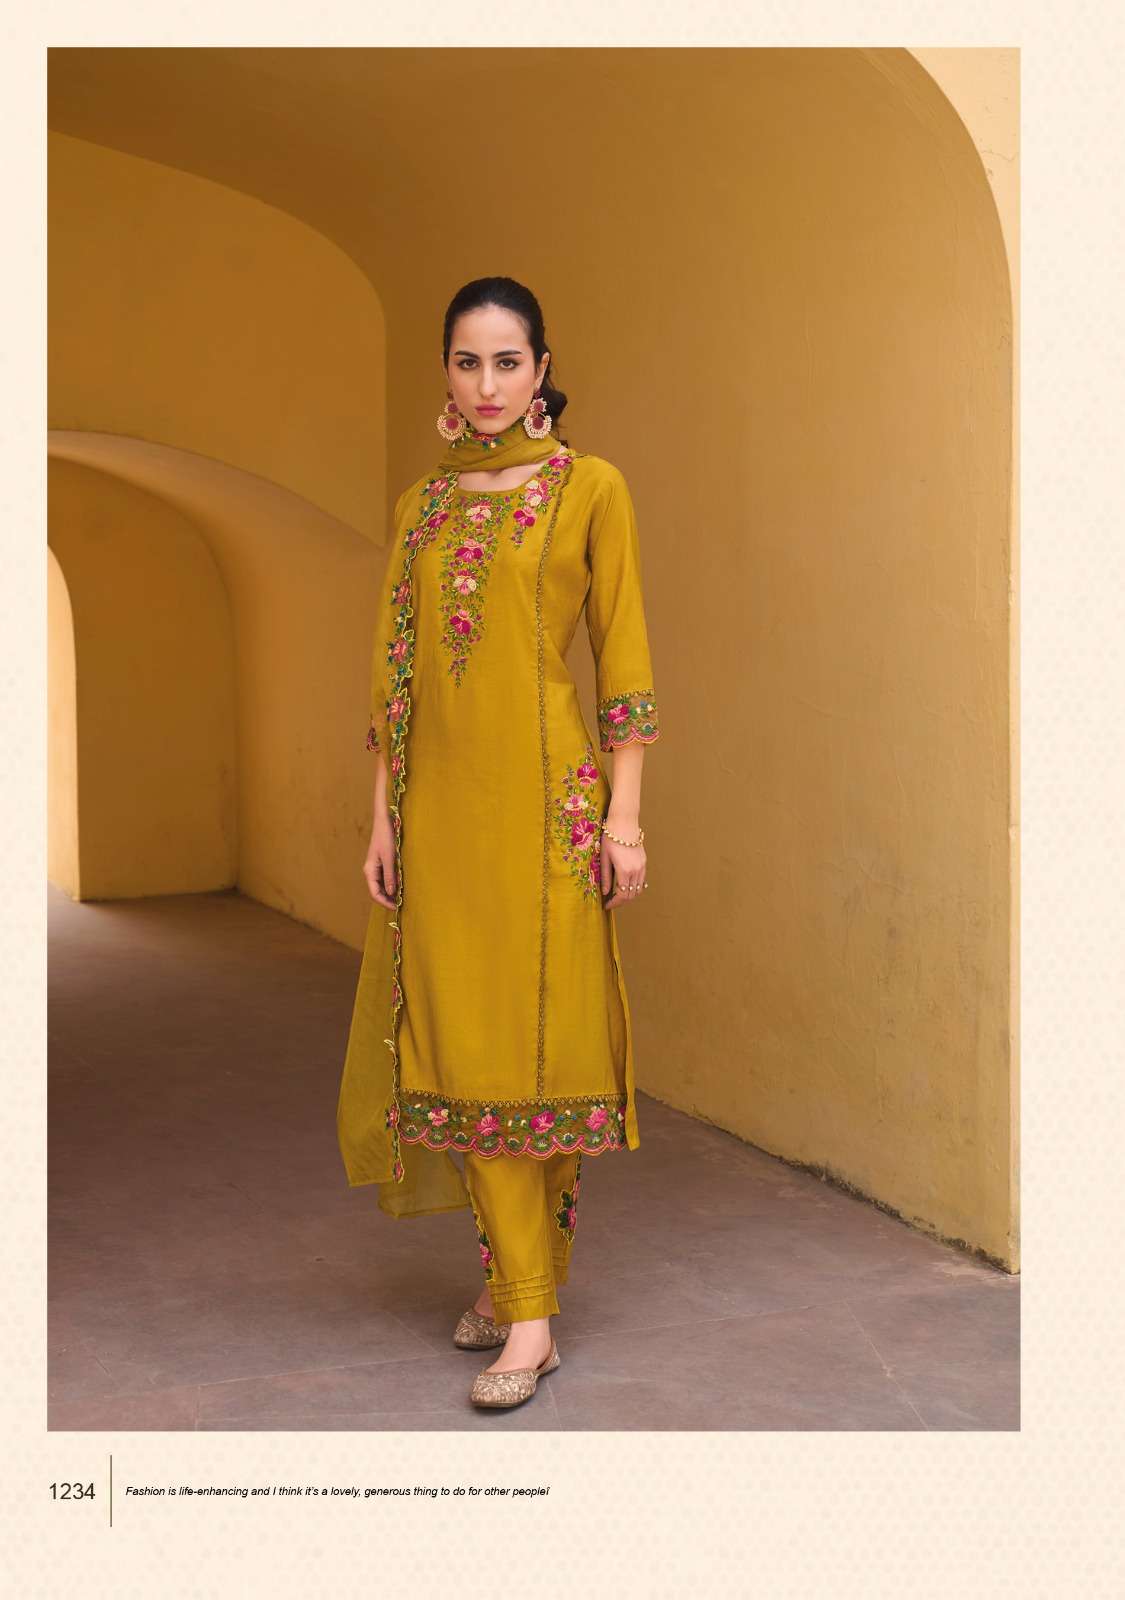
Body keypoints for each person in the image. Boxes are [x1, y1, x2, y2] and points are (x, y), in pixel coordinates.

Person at [336, 275, 660, 1410]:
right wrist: (383, 815)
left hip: (549, 814)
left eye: (507, 362)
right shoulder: (422, 505)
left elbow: (623, 657)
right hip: (440, 817)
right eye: (467, 362)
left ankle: (527, 1309)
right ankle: (523, 1296)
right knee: (464, 1051)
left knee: (542, 1059)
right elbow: (395, 672)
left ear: (541, 369)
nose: (486, 385)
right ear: (447, 371)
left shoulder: (589, 487)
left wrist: (624, 817)